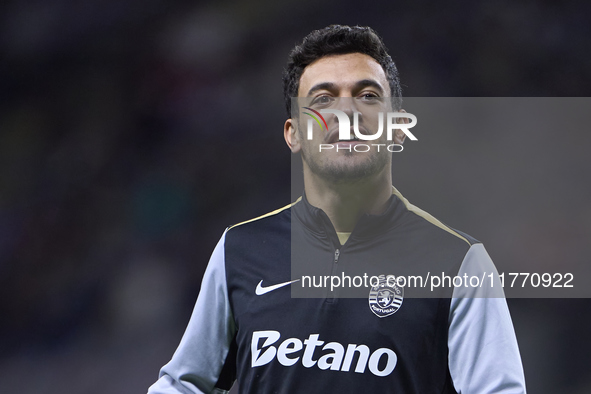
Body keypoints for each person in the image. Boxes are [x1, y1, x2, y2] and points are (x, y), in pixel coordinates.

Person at [148, 25, 526, 393]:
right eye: (323, 99)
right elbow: (183, 384)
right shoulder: (240, 249)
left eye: (367, 96)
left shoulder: (459, 262)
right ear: (294, 133)